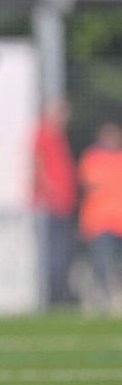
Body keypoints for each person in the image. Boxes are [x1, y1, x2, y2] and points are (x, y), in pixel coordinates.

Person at [31, 100, 76, 306]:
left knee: (62, 251)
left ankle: (61, 291)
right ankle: (54, 295)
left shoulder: (58, 136)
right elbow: (38, 164)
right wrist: (50, 192)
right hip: (51, 205)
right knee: (53, 252)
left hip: (62, 204)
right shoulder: (43, 134)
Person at [77, 122, 122, 311]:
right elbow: (90, 184)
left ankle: (114, 295)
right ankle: (102, 296)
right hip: (99, 221)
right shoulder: (92, 158)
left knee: (115, 264)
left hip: (118, 222)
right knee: (101, 263)